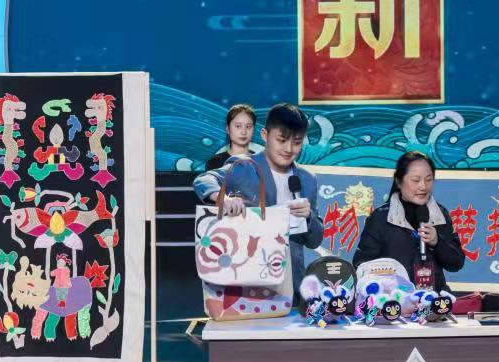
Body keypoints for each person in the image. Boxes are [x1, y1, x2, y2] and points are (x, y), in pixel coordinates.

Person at [194, 102, 323, 279]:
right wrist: (222, 198)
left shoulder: (307, 179)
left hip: (292, 281)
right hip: (250, 278)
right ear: (265, 135)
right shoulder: (244, 166)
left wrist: (308, 217)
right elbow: (204, 179)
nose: (288, 149)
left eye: (297, 142)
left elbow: (315, 241)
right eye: (281, 140)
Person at [353, 151, 466, 292]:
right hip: (394, 301)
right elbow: (361, 265)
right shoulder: (381, 218)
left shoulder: (440, 215)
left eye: (428, 179)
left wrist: (437, 242)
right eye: (416, 180)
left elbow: (456, 263)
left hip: (433, 300)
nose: (423, 186)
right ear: (399, 181)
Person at [204, 103, 256, 171]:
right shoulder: (214, 163)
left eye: (248, 126)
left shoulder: (261, 161)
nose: (243, 132)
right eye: (238, 126)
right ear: (228, 129)